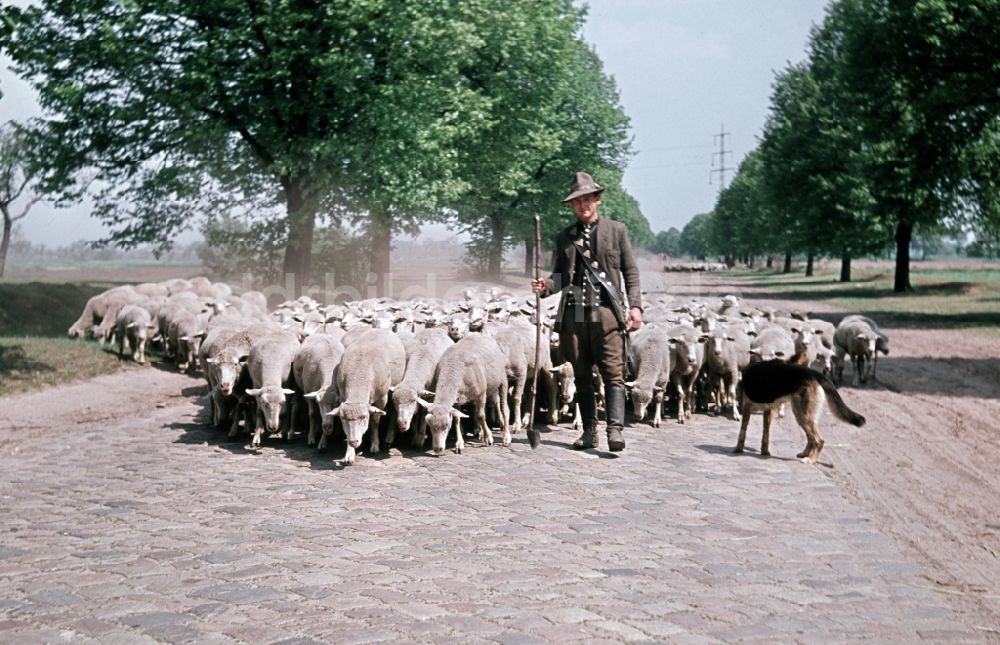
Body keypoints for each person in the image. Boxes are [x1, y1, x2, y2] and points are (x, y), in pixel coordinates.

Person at [532, 171, 642, 451]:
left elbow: (630, 271)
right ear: (572, 206)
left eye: (588, 199)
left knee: (613, 373)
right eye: (577, 202)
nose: (583, 205)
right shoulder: (565, 238)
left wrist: (636, 307)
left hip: (607, 312)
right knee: (581, 374)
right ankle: (589, 432)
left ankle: (614, 432)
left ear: (598, 199)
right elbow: (560, 278)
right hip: (575, 315)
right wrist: (544, 285)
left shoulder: (617, 231)